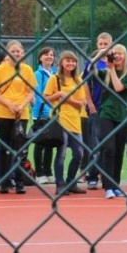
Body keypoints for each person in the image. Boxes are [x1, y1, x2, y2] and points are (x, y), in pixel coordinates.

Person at [0, 40, 37, 194]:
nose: (17, 53)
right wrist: (9, 105)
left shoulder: (27, 70)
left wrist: (22, 105)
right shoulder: (0, 70)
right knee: (5, 147)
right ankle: (4, 181)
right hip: (4, 113)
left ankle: (19, 181)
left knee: (20, 148)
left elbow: (31, 91)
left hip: (21, 114)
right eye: (14, 51)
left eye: (19, 51)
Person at [96, 44, 127, 198]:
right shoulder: (104, 72)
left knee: (119, 150)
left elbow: (118, 87)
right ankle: (107, 186)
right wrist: (100, 54)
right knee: (109, 149)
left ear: (125, 56)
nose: (118, 57)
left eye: (120, 54)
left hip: (123, 116)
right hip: (106, 114)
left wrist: (112, 69)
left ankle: (115, 185)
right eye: (115, 54)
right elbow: (88, 71)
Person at [45, 51, 88, 195]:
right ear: (61, 62)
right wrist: (58, 95)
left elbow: (81, 103)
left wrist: (67, 99)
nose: (70, 63)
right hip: (60, 120)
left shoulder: (78, 80)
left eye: (73, 61)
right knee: (61, 153)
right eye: (67, 60)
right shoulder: (55, 79)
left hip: (75, 121)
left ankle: (71, 181)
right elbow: (46, 98)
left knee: (79, 154)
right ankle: (60, 183)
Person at [83, 33, 113, 189]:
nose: (103, 47)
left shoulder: (115, 62)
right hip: (96, 107)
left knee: (109, 144)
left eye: (106, 44)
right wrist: (90, 104)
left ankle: (107, 175)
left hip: (111, 109)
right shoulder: (92, 63)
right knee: (95, 143)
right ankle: (92, 176)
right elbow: (85, 83)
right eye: (100, 44)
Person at [32, 47, 57, 184]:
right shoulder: (38, 74)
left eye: (52, 55)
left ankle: (48, 171)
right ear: (40, 57)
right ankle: (39, 173)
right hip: (41, 113)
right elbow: (38, 94)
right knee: (40, 143)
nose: (49, 56)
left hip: (53, 113)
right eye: (46, 54)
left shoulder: (55, 73)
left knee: (50, 143)